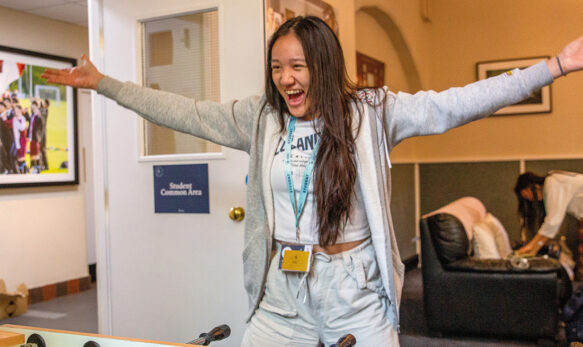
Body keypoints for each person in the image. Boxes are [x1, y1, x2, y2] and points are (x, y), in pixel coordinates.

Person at [42, 16, 583, 346]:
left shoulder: (371, 112)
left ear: (322, 63)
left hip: (353, 288)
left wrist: (553, 66)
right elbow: (185, 112)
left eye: (297, 66)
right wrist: (105, 84)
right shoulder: (260, 117)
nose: (286, 79)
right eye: (277, 67)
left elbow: (458, 104)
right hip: (282, 289)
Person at [515, 171, 583, 256]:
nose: (530, 199)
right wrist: (533, 248)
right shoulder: (552, 184)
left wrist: (531, 247)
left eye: (526, 195)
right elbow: (551, 225)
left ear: (532, 187)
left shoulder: (552, 183)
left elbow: (553, 222)